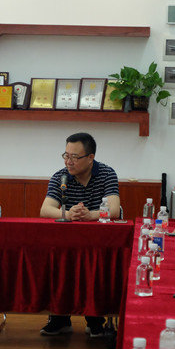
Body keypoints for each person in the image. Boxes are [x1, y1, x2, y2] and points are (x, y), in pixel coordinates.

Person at [39, 132, 120, 337]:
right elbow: (45, 209)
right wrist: (68, 214)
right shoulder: (60, 176)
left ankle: (95, 320)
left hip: (98, 244)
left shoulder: (107, 174)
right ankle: (59, 318)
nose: (69, 161)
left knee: (96, 266)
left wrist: (90, 215)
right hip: (67, 244)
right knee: (57, 263)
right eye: (66, 156)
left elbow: (114, 210)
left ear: (90, 157)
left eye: (74, 157)